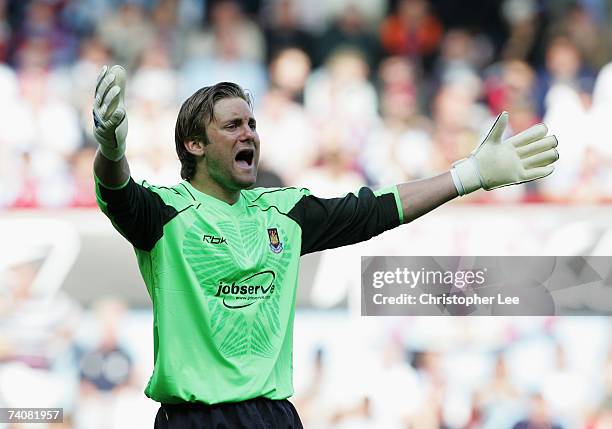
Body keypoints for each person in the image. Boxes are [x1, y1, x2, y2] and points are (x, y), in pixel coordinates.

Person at [92, 65, 559, 428]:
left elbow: (373, 210)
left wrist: (467, 176)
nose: (249, 133)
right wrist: (112, 149)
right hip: (193, 420)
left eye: (252, 124)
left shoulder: (283, 213)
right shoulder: (164, 213)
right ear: (194, 144)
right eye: (232, 126)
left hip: (272, 416)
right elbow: (118, 192)